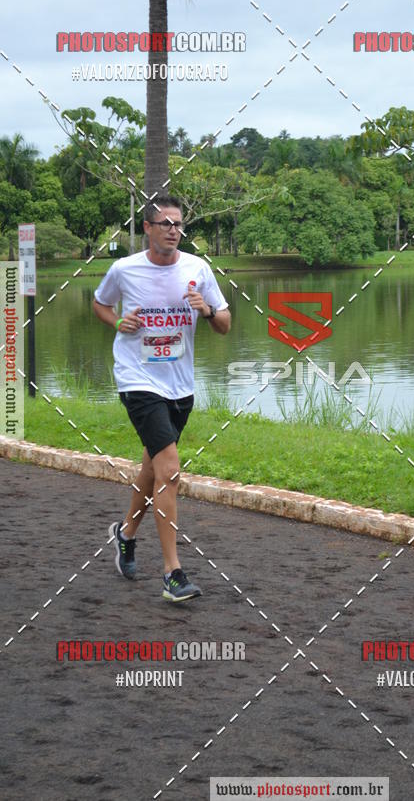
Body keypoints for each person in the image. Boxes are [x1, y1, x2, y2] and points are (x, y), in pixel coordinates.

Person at [92, 196, 231, 602]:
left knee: (153, 468)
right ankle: (173, 573)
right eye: (166, 223)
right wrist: (118, 321)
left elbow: (225, 324)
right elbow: (100, 303)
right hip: (137, 379)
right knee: (169, 469)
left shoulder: (197, 269)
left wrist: (207, 311)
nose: (174, 230)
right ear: (148, 228)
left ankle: (125, 534)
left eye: (179, 224)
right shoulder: (125, 269)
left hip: (179, 386)